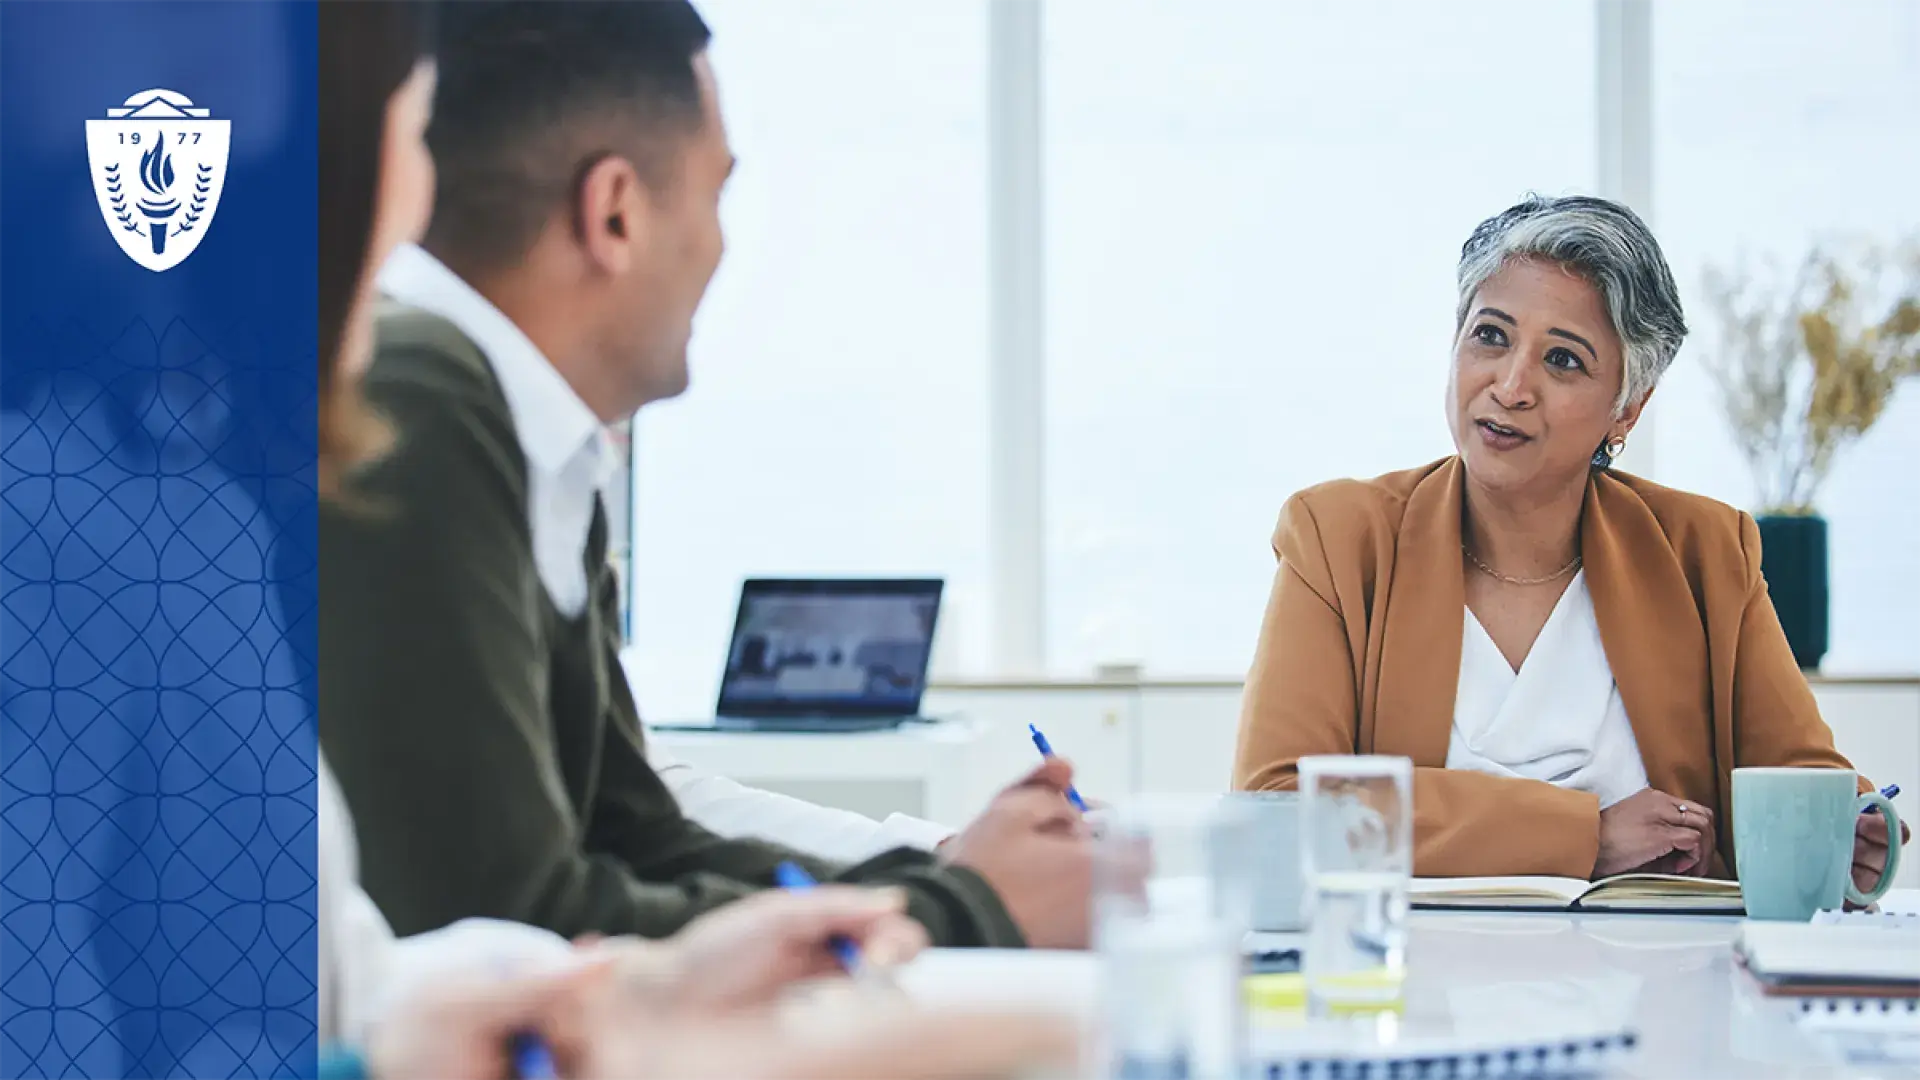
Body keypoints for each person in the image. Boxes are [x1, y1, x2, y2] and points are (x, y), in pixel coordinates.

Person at [314, 2, 1077, 1077]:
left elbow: (632, 829)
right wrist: (970, 909)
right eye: (717, 193)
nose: (722, 245)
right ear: (615, 211)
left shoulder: (530, 426)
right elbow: (509, 911)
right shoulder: (425, 394)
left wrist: (933, 888)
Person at [1232, 194, 1907, 885]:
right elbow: (1278, 813)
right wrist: (1585, 834)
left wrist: (1852, 828)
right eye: (1490, 336)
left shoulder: (1704, 549)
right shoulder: (1339, 538)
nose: (1512, 386)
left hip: (1660, 976)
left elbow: (1798, 776)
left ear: (1627, 408)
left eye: (1563, 360)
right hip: (1411, 976)